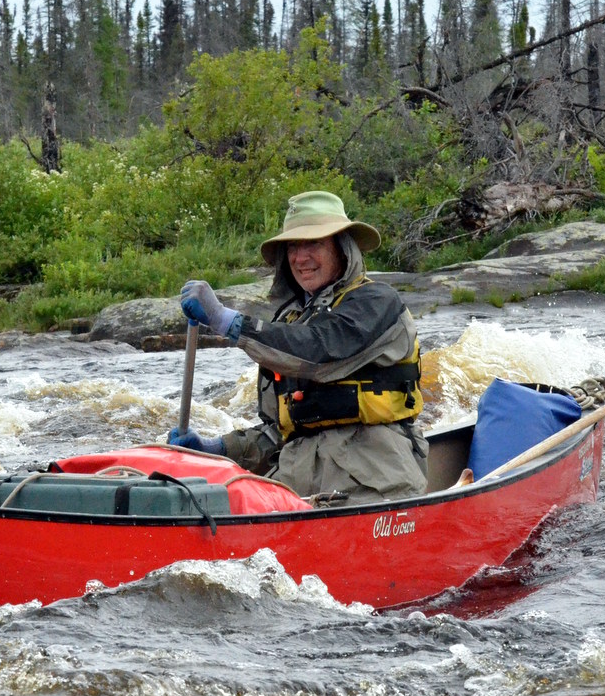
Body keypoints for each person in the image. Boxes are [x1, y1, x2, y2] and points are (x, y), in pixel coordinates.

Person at [168, 190, 428, 505]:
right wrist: (218, 450)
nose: (300, 257)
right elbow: (278, 432)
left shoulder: (376, 302)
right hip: (294, 489)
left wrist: (230, 323)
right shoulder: (290, 319)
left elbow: (318, 352)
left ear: (342, 248)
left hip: (373, 484)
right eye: (293, 245)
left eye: (313, 243)